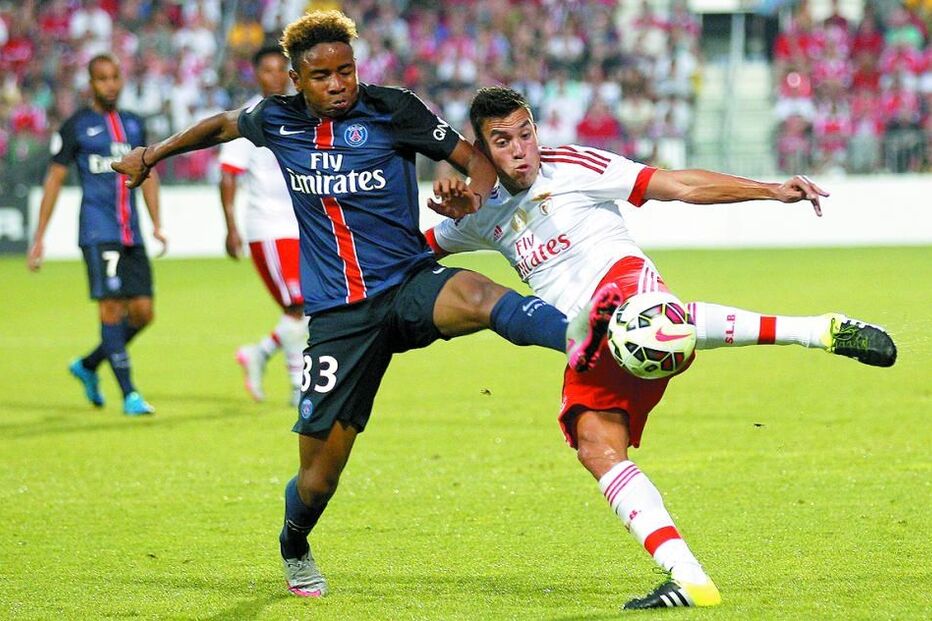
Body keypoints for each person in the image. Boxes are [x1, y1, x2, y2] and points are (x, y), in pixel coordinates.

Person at [112, 10, 611, 598]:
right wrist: (152, 154)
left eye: (346, 71)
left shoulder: (392, 109)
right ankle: (294, 541)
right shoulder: (274, 118)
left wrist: (471, 197)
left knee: (479, 294)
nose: (338, 84)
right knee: (319, 478)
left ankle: (580, 336)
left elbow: (474, 160)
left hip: (406, 284)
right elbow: (221, 126)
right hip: (339, 318)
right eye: (322, 75)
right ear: (297, 79)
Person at [425, 86, 897, 610]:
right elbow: (409, 253)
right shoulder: (476, 213)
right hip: (583, 338)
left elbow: (678, 185)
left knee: (640, 325)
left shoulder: (574, 167)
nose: (520, 150)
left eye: (526, 134)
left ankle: (817, 330)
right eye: (503, 141)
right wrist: (443, 214)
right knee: (595, 446)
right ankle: (690, 579)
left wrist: (769, 190)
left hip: (626, 287)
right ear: (481, 150)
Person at [27, 53, 166, 416]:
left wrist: (156, 222)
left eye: (115, 77)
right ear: (90, 84)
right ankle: (130, 394)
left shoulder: (134, 124)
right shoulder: (77, 126)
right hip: (98, 230)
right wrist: (39, 237)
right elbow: (54, 179)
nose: (110, 85)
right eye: (102, 79)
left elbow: (149, 174)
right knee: (111, 307)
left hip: (132, 233)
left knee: (143, 313)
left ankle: (88, 365)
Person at [218, 45, 307, 406]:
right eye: (267, 70)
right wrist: (231, 227)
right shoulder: (248, 117)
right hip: (269, 227)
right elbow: (228, 175)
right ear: (256, 75)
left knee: (313, 306)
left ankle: (258, 353)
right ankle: (299, 385)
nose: (275, 76)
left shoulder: (303, 112)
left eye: (280, 69)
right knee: (297, 305)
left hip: (303, 226)